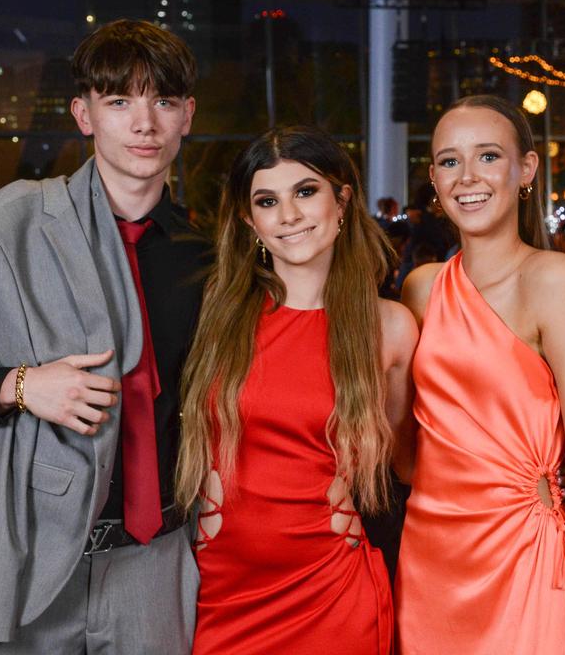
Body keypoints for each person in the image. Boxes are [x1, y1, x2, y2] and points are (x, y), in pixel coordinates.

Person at [0, 20, 207, 652]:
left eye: (164, 101)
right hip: (28, 544)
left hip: (159, 558)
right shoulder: (0, 235)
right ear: (84, 114)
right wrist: (21, 385)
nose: (144, 122)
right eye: (119, 100)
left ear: (186, 116)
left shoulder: (211, 257)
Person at [394, 95, 565, 655]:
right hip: (430, 554)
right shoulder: (419, 287)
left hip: (521, 551)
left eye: (488, 156)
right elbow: (406, 446)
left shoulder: (553, 279)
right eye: (448, 161)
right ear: (434, 179)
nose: (467, 177)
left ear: (526, 169)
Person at [176, 126, 417, 654]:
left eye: (305, 191)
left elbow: (410, 465)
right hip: (223, 594)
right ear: (249, 219)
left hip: (331, 594)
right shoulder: (214, 314)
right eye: (268, 200)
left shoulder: (389, 327)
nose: (288, 215)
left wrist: (530, 470)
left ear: (342, 201)